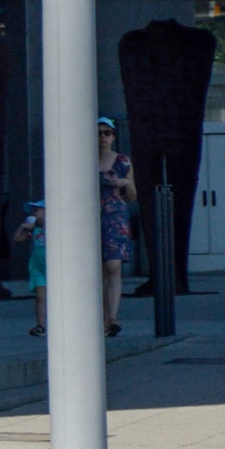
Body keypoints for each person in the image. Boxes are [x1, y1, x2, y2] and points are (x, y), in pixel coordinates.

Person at [98, 117, 137, 336]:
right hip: (90, 217)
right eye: (99, 132)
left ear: (113, 136)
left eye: (107, 132)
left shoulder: (122, 162)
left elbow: (132, 196)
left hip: (115, 216)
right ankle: (102, 319)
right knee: (97, 270)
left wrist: (125, 183)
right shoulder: (83, 160)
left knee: (113, 266)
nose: (102, 137)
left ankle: (112, 318)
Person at [15, 200, 47, 337]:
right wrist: (23, 227)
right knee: (40, 297)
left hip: (55, 269)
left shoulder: (56, 228)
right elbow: (17, 239)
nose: (34, 214)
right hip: (39, 268)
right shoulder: (34, 229)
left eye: (37, 211)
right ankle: (40, 325)